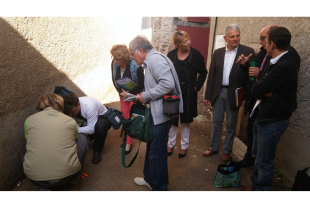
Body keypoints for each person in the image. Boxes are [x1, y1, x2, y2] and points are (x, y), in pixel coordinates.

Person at [238, 26, 299, 191]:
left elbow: (256, 88)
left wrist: (264, 87)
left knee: (264, 162)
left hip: (273, 120)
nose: (262, 43)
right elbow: (260, 84)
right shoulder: (274, 61)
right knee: (258, 157)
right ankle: (255, 186)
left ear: (272, 43)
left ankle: (261, 191)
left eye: (264, 40)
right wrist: (264, 85)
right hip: (263, 115)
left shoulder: (285, 64)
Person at [129, 35, 183, 191]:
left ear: (140, 50)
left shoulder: (155, 60)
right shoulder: (151, 60)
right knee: (152, 148)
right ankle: (150, 179)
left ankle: (160, 188)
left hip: (162, 115)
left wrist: (145, 96)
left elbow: (167, 84)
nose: (132, 58)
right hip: (157, 113)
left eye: (133, 54)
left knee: (157, 154)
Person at [203, 24, 255, 162]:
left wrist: (246, 97)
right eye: (232, 36)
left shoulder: (248, 51)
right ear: (226, 38)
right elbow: (212, 75)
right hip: (218, 92)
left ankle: (226, 150)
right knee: (216, 122)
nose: (236, 38)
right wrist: (208, 95)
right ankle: (214, 148)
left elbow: (251, 78)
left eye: (238, 35)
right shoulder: (218, 53)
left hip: (235, 94)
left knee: (231, 125)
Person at [23, 93, 88, 190]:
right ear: (60, 104)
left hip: (35, 177)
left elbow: (28, 139)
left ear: (40, 105)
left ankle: (41, 184)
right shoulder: (70, 121)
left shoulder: (29, 120)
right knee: (83, 137)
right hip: (66, 174)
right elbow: (74, 139)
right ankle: (75, 182)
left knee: (30, 149)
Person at [166, 30, 207, 158]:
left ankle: (184, 147)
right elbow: (166, 72)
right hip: (173, 91)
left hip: (188, 92)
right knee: (172, 119)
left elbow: (204, 72)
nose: (189, 42)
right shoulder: (171, 55)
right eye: (185, 41)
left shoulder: (195, 55)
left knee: (185, 121)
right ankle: (170, 144)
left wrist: (196, 86)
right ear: (178, 44)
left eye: (188, 39)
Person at [110, 44, 144, 154]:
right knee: (124, 116)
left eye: (118, 59)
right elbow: (114, 80)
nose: (115, 61)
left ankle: (128, 143)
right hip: (123, 95)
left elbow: (141, 84)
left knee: (131, 117)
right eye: (114, 58)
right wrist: (121, 93)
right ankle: (127, 137)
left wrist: (129, 93)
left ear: (124, 57)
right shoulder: (114, 64)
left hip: (134, 95)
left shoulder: (136, 66)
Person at [63, 93, 111, 164]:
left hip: (101, 118)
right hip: (86, 121)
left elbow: (91, 129)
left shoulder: (90, 106)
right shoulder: (69, 108)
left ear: (78, 105)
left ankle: (97, 151)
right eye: (68, 113)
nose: (70, 115)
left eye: (72, 112)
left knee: (100, 127)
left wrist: (74, 130)